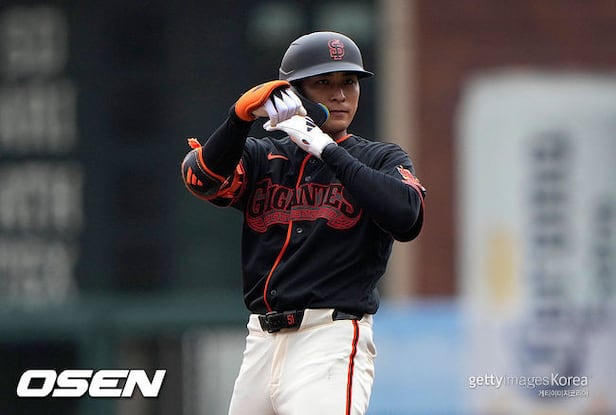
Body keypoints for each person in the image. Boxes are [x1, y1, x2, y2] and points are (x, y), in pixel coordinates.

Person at [181, 31, 425, 415]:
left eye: (349, 82)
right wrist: (238, 118)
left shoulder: (379, 158)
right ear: (295, 92)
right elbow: (201, 179)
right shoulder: (263, 157)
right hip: (261, 340)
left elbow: (407, 217)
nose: (340, 95)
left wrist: (326, 150)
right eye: (323, 83)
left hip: (328, 338)